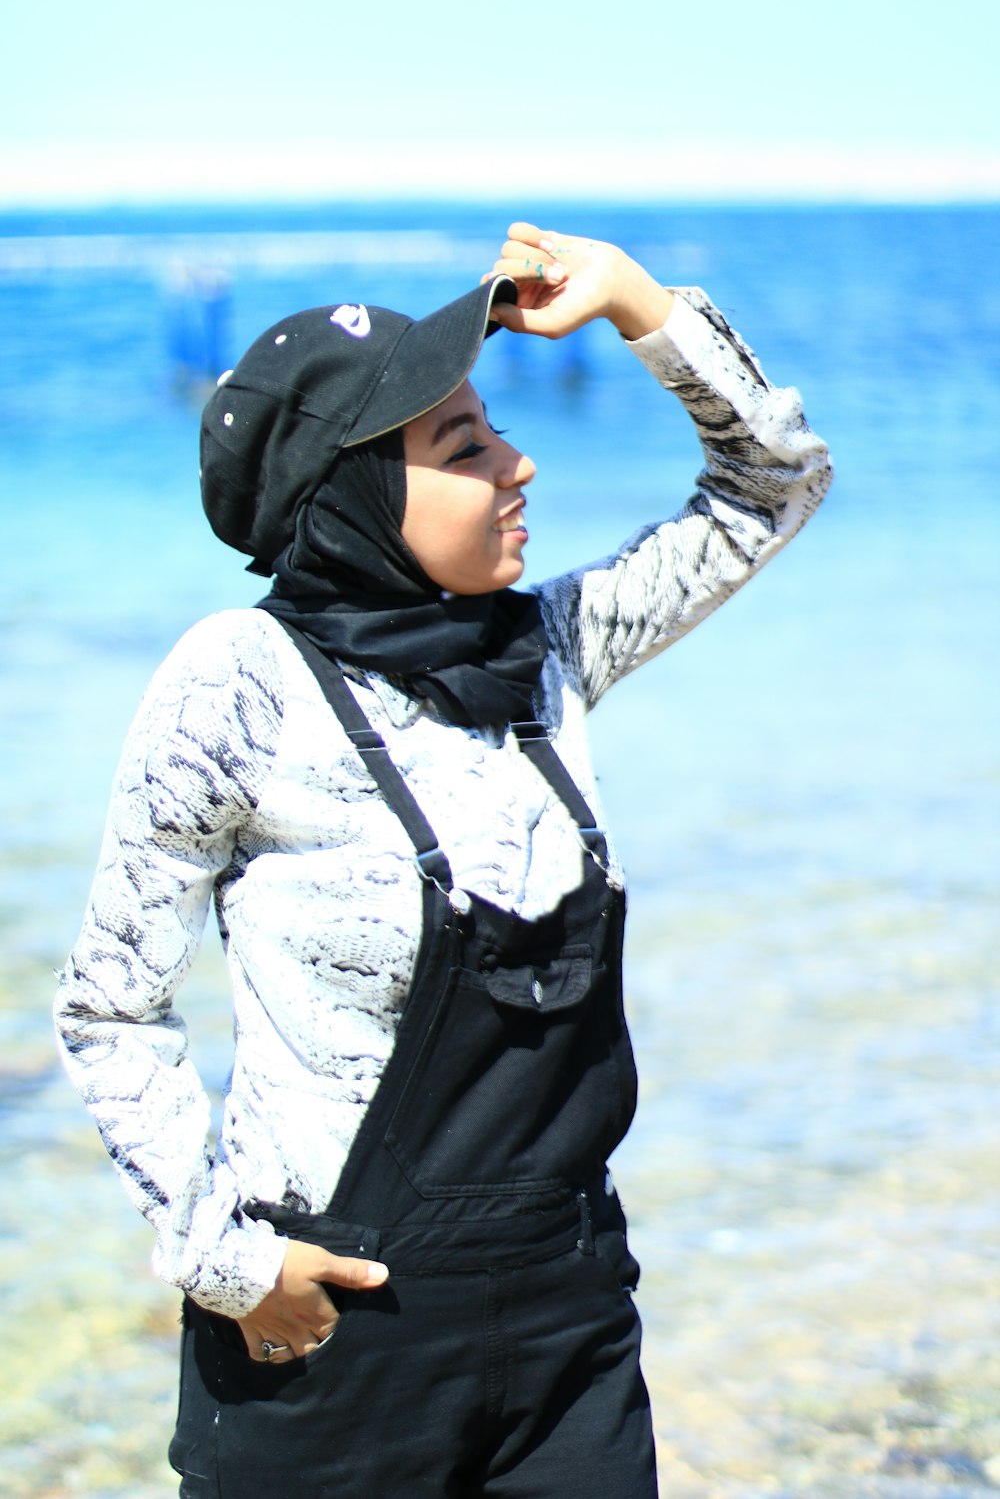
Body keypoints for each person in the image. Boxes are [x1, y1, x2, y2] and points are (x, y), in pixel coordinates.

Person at [55, 222, 832, 1497]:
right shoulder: (236, 682)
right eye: (465, 447)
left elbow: (772, 483)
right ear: (348, 495)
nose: (519, 464)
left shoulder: (548, 652)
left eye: (494, 430)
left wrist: (640, 305)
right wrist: (228, 1265)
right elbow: (109, 1005)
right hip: (327, 1338)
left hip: (568, 1317)